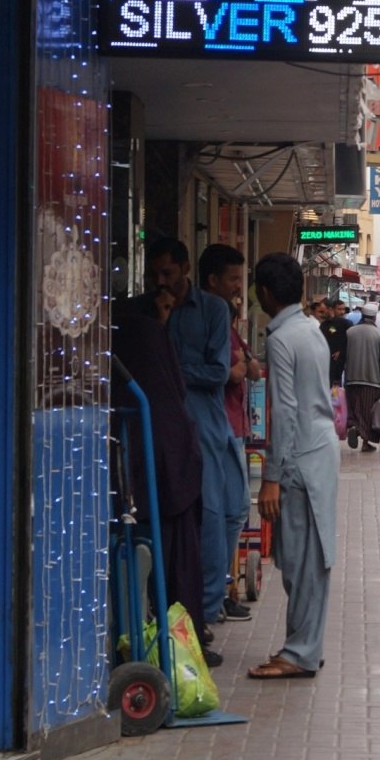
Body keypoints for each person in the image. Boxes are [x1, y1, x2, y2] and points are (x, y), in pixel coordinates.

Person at [148, 237, 248, 627]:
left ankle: (206, 608)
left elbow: (217, 371)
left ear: (186, 271)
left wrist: (171, 372)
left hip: (207, 425)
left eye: (168, 273)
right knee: (179, 518)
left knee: (223, 512)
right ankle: (179, 610)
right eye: (155, 274)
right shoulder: (149, 311)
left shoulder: (212, 311)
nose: (161, 281)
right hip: (162, 428)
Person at [248, 253, 339, 680]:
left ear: (263, 293)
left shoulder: (282, 338)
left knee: (303, 560)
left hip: (300, 458)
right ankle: (306, 644)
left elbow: (283, 410)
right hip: (317, 452)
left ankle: (299, 652)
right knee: (307, 558)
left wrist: (270, 478)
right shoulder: (311, 329)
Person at [109, 291, 210, 660]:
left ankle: (137, 646)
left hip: (136, 479)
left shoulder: (120, 357)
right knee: (171, 566)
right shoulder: (156, 353)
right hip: (175, 469)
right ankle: (176, 647)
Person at [199, 243, 260, 614]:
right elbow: (235, 369)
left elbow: (248, 365)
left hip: (231, 424)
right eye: (234, 279)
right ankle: (217, 594)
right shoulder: (212, 315)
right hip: (218, 426)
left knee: (232, 510)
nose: (240, 286)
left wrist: (242, 364)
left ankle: (220, 591)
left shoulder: (226, 315)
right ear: (213, 280)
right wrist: (236, 367)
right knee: (226, 510)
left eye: (242, 278)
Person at [343, 302, 380, 451]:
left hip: (351, 379)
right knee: (369, 412)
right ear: (374, 318)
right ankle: (363, 439)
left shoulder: (349, 332)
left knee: (355, 409)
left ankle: (356, 428)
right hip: (372, 380)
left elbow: (343, 355)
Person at [320, 297, 352, 388]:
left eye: (343, 309)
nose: (342, 312)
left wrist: (341, 351)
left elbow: (350, 340)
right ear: (333, 309)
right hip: (328, 358)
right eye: (339, 309)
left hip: (342, 360)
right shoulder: (326, 324)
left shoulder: (347, 324)